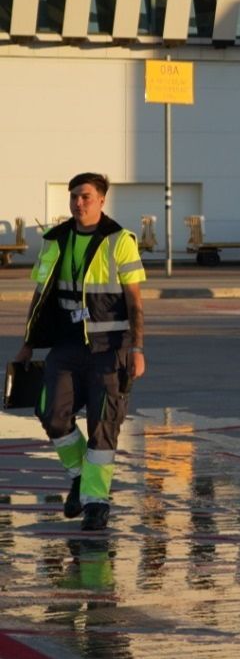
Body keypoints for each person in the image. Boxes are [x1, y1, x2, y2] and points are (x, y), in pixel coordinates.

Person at [11, 172, 147, 532]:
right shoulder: (54, 241)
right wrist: (27, 345)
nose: (78, 203)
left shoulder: (120, 241)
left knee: (104, 424)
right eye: (74, 196)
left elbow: (135, 301)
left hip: (109, 349)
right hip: (67, 345)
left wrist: (138, 347)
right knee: (51, 413)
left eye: (86, 196)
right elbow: (39, 297)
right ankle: (78, 475)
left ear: (102, 200)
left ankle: (96, 502)